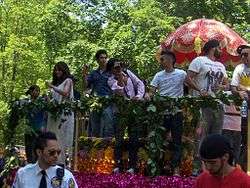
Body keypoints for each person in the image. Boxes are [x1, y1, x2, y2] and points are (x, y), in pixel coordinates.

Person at [186, 39, 228, 175]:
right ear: (212, 48)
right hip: (202, 103)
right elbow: (187, 79)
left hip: (218, 105)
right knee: (201, 136)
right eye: (219, 48)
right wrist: (200, 90)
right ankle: (197, 169)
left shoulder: (221, 65)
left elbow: (226, 84)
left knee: (216, 137)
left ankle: (215, 169)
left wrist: (221, 86)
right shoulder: (199, 61)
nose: (221, 50)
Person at [149, 49, 187, 175]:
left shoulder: (182, 73)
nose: (161, 61)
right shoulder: (158, 75)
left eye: (162, 59)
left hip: (177, 112)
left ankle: (175, 168)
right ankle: (159, 167)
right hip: (162, 112)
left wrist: (202, 91)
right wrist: (147, 96)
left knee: (177, 141)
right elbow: (151, 92)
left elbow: (191, 84)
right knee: (160, 140)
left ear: (171, 60)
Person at [106, 58, 145, 174]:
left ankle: (132, 166)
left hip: (133, 110)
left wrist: (139, 96)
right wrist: (119, 77)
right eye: (116, 67)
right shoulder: (110, 80)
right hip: (120, 112)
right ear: (111, 69)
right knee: (119, 140)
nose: (119, 68)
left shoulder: (128, 73)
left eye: (120, 66)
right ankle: (117, 165)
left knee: (134, 138)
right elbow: (121, 91)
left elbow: (139, 83)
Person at [12, 131, 78, 188]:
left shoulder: (66, 177)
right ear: (39, 152)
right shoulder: (23, 174)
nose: (56, 156)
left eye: (58, 152)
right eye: (52, 152)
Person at [46, 61, 74, 166]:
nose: (57, 72)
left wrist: (52, 87)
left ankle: (63, 161)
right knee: (53, 136)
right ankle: (52, 159)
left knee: (63, 136)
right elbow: (53, 100)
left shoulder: (68, 80)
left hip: (64, 113)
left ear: (64, 70)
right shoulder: (55, 84)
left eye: (59, 70)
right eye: (56, 70)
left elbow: (65, 93)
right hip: (54, 114)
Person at [82, 49, 114, 137]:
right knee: (94, 126)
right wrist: (84, 74)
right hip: (95, 102)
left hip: (108, 101)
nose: (103, 59)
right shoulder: (93, 73)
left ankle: (108, 148)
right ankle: (94, 147)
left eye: (105, 58)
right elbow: (86, 86)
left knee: (109, 124)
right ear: (97, 60)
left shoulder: (111, 73)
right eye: (101, 58)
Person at [24, 85, 47, 163]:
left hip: (39, 129)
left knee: (38, 149)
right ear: (31, 92)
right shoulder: (26, 103)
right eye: (36, 90)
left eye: (38, 91)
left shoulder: (42, 102)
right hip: (28, 130)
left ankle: (38, 165)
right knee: (29, 148)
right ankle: (30, 165)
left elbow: (46, 113)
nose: (38, 92)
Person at [222, 91, 241, 166]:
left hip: (237, 125)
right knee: (228, 148)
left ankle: (234, 165)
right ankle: (228, 165)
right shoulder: (225, 93)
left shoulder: (242, 94)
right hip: (227, 124)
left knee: (236, 148)